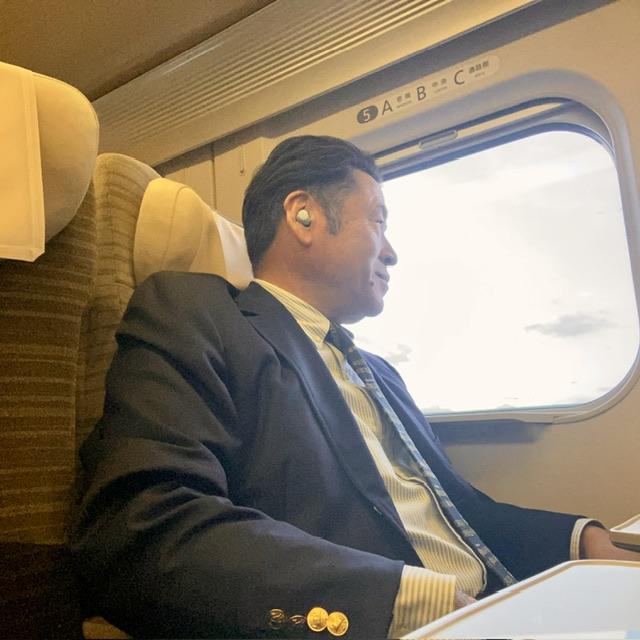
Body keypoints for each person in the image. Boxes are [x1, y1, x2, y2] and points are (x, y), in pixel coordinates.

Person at [71, 135, 639, 639]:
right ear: (304, 215)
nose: (391, 251)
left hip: (495, 609)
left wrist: (583, 541)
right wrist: (407, 602)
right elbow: (143, 528)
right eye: (378, 221)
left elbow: (459, 513)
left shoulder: (380, 372)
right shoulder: (195, 313)